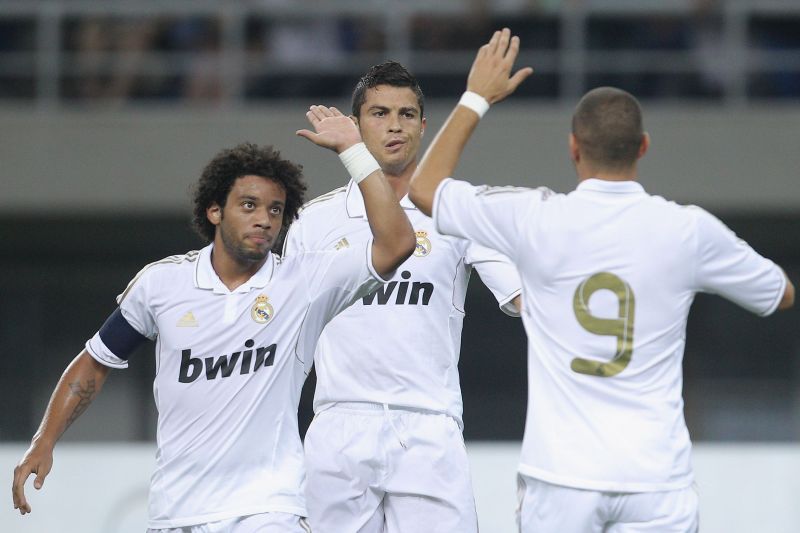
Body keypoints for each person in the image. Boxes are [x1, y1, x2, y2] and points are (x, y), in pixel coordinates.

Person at [409, 28, 795, 533]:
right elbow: (779, 293)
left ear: (573, 147)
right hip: (657, 480)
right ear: (644, 147)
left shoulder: (535, 218)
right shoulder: (688, 230)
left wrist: (477, 96)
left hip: (561, 477)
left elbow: (424, 188)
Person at [12, 114, 416, 531]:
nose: (264, 219)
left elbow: (398, 243)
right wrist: (44, 441)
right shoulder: (161, 285)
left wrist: (354, 152)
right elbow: (95, 362)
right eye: (249, 205)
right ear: (214, 211)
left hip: (266, 510)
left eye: (275, 210)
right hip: (176, 512)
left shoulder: (306, 281)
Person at [283, 61, 522, 532]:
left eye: (407, 114)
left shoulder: (456, 211)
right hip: (337, 423)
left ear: (424, 126)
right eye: (379, 113)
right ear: (354, 125)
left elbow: (523, 299)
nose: (394, 125)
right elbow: (285, 334)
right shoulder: (312, 222)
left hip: (428, 427)